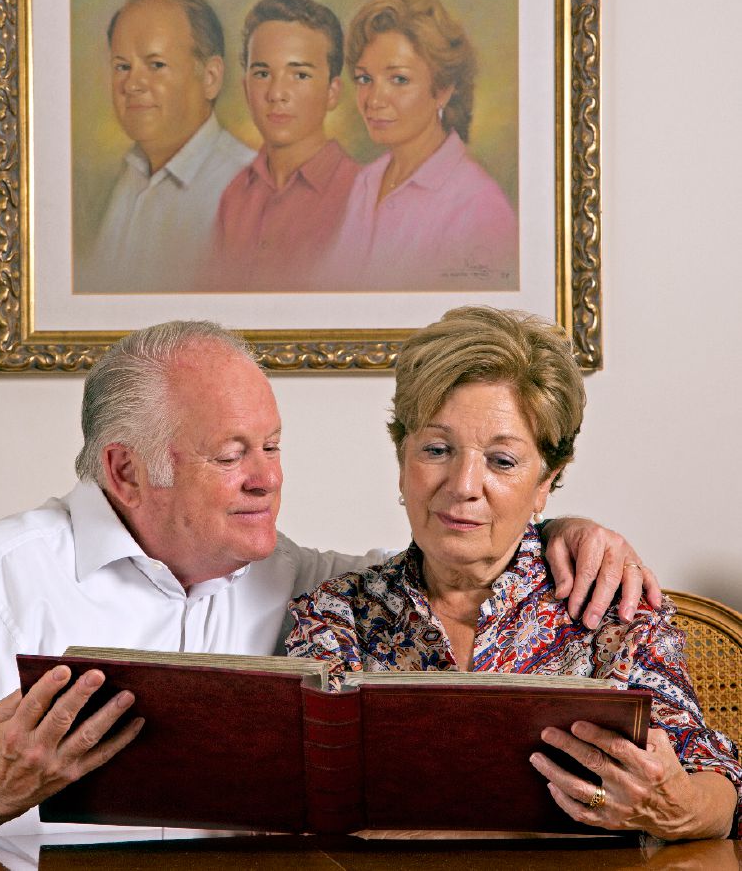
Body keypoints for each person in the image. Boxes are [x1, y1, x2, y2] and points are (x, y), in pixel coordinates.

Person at [0, 320, 656, 846]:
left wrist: (564, 532)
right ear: (126, 471)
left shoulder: (302, 583)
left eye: (273, 447)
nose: (267, 479)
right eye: (232, 456)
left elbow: (451, 559)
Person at [287, 306, 742, 840]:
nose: (463, 485)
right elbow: (309, 801)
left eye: (502, 461)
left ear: (546, 483)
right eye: (437, 450)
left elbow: (719, 786)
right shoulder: (334, 614)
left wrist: (681, 810)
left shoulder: (612, 608)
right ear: (401, 458)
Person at [323, 0, 518, 292]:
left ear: (442, 89)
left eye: (398, 79)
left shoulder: (478, 206)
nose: (374, 99)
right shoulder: (367, 181)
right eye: (364, 79)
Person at [78, 0, 254, 293]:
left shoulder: (250, 189)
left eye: (156, 65)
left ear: (210, 78)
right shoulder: (129, 176)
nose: (132, 84)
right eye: (122, 66)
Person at [202, 0, 359, 291]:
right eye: (262, 73)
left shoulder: (359, 195)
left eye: (299, 75)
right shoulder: (235, 195)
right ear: (246, 87)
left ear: (332, 92)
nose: (276, 93)